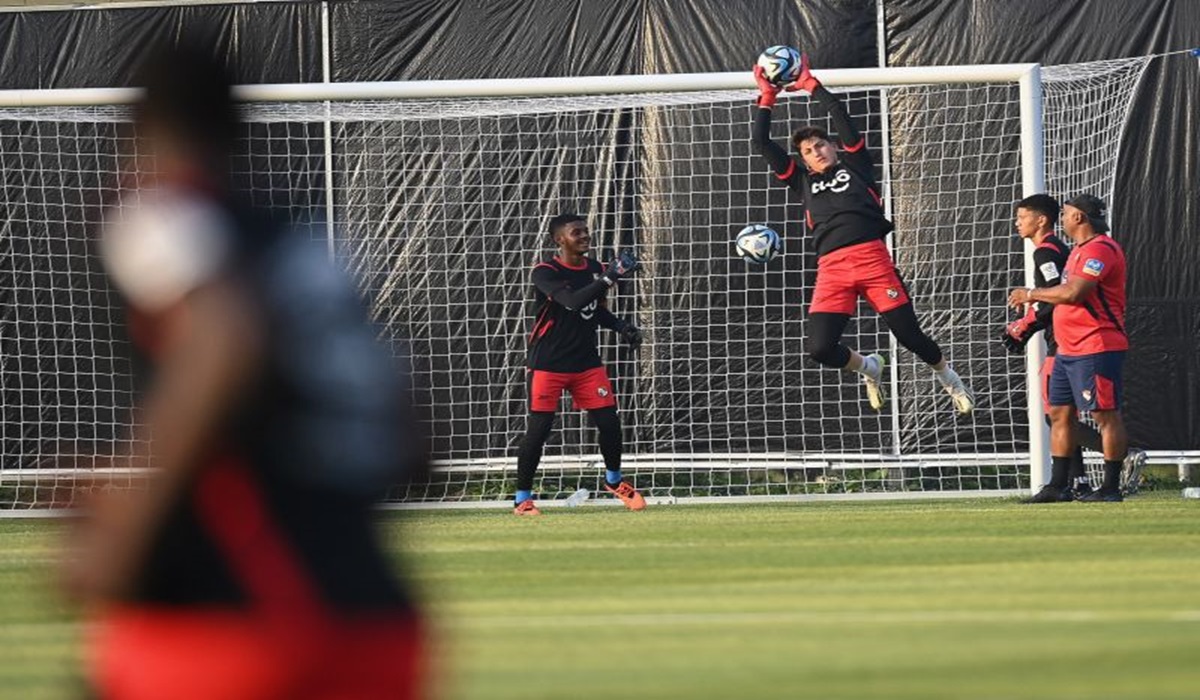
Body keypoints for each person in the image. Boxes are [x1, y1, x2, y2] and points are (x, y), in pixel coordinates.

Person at [62, 47, 427, 698]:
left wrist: (129, 533)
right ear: (240, 131)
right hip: (381, 624)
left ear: (142, 132)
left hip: (239, 619)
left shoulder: (168, 215)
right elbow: (417, 447)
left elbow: (224, 339)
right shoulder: (312, 248)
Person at [751, 54, 975, 414]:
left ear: (835, 147)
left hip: (872, 260)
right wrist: (767, 96)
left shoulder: (856, 165)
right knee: (820, 349)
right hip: (832, 269)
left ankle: (950, 379)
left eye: (821, 145)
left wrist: (811, 84)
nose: (816, 151)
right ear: (803, 161)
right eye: (808, 151)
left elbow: (839, 113)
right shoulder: (801, 180)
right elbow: (761, 142)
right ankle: (870, 367)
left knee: (909, 336)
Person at [1003, 194, 1146, 502]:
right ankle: (1059, 485)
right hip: (1068, 348)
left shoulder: (1102, 250)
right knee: (1059, 415)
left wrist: (1030, 296)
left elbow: (1074, 293)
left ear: (1079, 218)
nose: (1062, 219)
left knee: (1104, 415)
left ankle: (1109, 487)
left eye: (1066, 214)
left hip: (1096, 344)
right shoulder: (1075, 252)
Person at [514, 213, 646, 516]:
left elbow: (592, 310)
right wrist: (611, 277)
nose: (585, 236)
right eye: (577, 232)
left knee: (610, 424)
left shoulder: (597, 269)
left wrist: (621, 326)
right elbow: (572, 302)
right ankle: (522, 499)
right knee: (539, 430)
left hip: (586, 363)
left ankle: (614, 481)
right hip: (547, 364)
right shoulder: (544, 271)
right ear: (560, 239)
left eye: (586, 231)